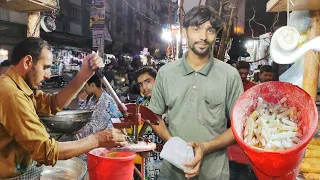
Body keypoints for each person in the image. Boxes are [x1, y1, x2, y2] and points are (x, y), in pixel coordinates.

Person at [0, 37, 127, 179]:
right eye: (45, 67)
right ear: (28, 62)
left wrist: (83, 75)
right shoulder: (10, 93)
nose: (48, 75)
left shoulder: (21, 88)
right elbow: (45, 150)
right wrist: (97, 140)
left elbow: (52, 103)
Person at [148, 6, 243, 180]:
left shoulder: (229, 75)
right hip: (172, 174)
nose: (203, 37)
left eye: (210, 30)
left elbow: (239, 126)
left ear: (216, 34)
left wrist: (205, 147)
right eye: (196, 29)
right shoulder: (166, 73)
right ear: (185, 32)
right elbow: (153, 116)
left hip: (214, 173)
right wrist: (173, 143)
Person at [133, 67, 167, 180]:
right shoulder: (142, 107)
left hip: (169, 164)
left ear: (157, 80)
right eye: (140, 85)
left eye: (147, 81)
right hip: (148, 164)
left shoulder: (170, 104)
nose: (144, 88)